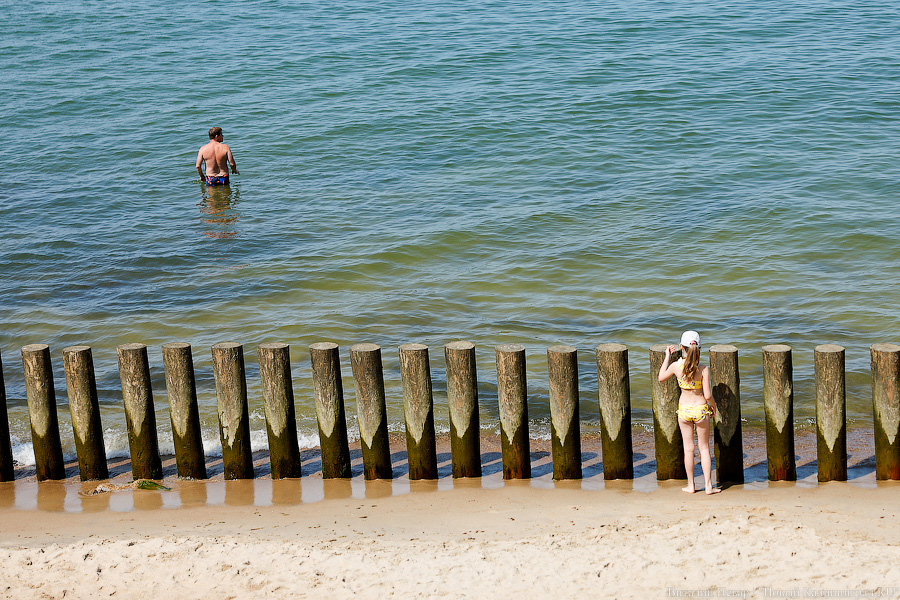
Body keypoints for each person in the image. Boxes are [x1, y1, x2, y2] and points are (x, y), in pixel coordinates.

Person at [657, 330, 720, 495]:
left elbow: (661, 377)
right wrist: (713, 406)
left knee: (688, 449)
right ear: (698, 348)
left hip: (684, 411)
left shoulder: (676, 366)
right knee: (704, 448)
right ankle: (708, 486)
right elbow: (707, 395)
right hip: (700, 410)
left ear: (681, 347)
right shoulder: (703, 369)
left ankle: (691, 485)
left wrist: (667, 357)